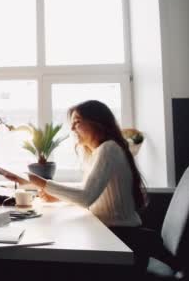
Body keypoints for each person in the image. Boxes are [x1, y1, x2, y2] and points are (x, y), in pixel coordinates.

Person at [8, 100, 148, 267]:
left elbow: (86, 197)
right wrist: (58, 197)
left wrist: (40, 182)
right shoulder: (99, 152)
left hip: (123, 238)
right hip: (114, 234)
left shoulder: (108, 149)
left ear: (97, 123)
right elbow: (88, 191)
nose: (73, 129)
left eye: (77, 122)